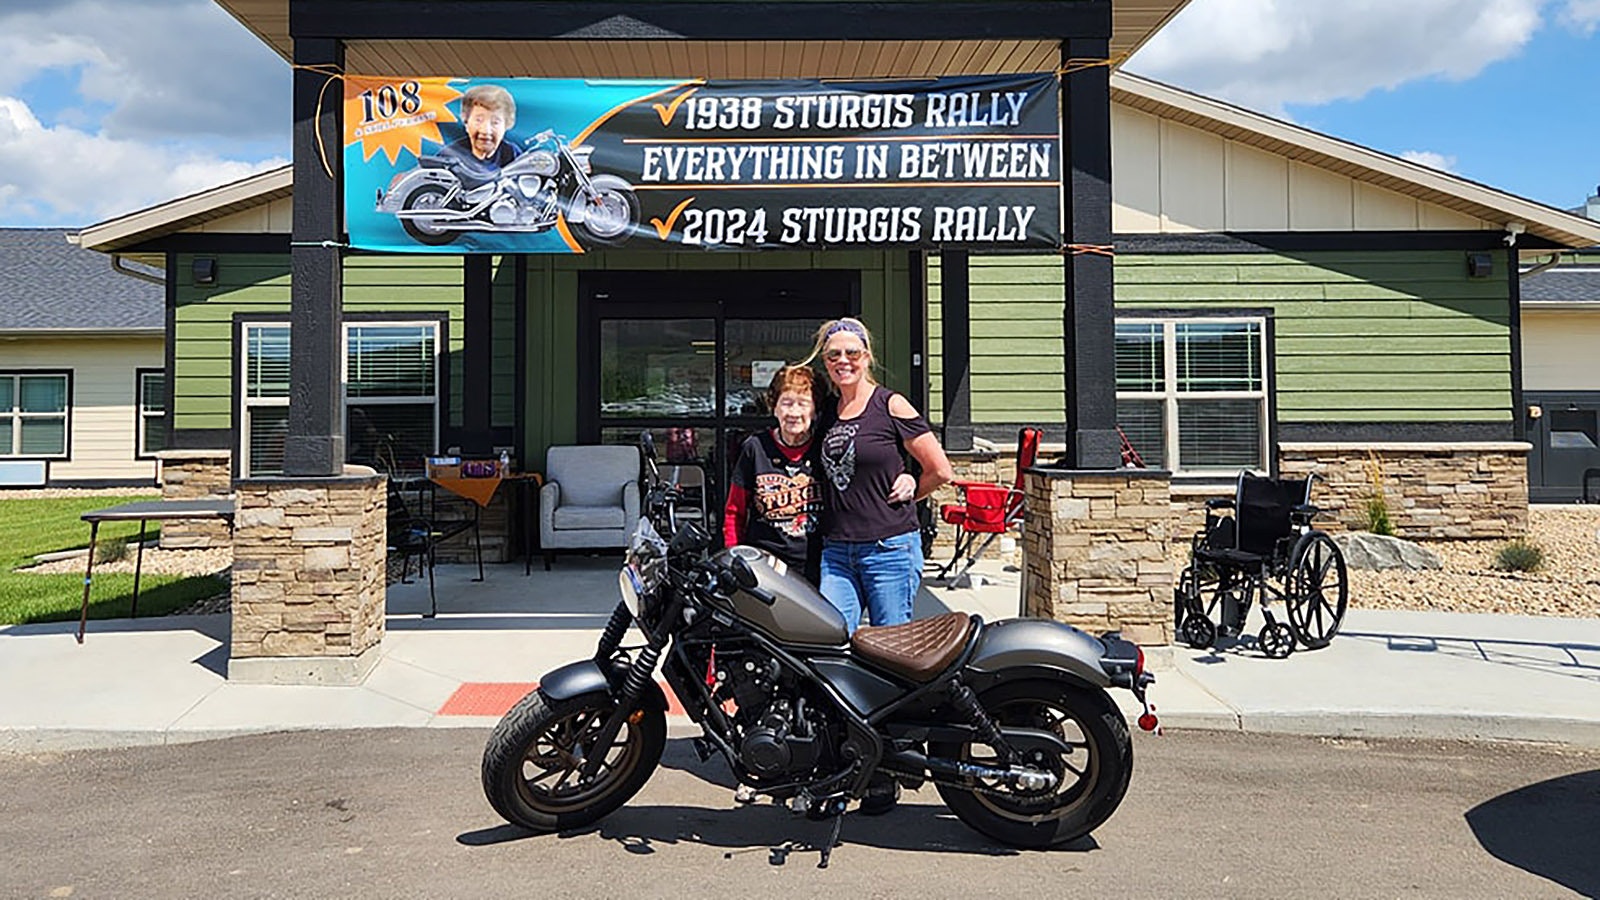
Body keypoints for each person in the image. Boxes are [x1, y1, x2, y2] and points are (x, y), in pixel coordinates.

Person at [807, 317, 954, 634]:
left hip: (888, 548)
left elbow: (940, 470)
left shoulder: (890, 404)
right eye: (834, 355)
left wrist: (913, 486)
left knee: (890, 642)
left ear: (867, 356)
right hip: (836, 552)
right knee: (833, 638)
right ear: (825, 361)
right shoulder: (828, 411)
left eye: (852, 353)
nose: (843, 361)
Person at [723, 366, 825, 584]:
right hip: (765, 567)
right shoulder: (755, 447)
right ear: (774, 407)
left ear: (815, 410)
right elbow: (735, 511)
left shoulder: (824, 448)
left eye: (803, 403)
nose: (794, 413)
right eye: (786, 403)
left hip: (818, 564)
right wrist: (735, 556)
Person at [441, 83, 520, 180]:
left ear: (506, 125)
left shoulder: (512, 154)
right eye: (479, 120)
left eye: (495, 122)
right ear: (466, 122)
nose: (486, 130)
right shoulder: (449, 155)